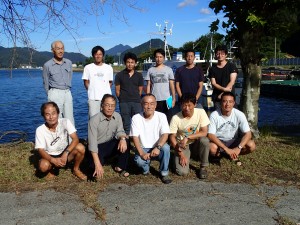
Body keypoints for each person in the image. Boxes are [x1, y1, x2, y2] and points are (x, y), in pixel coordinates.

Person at [35, 102, 86, 180]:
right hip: (50, 155)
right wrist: (52, 160)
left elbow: (75, 139)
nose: (51, 117)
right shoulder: (40, 130)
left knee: (81, 148)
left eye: (53, 113)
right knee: (43, 166)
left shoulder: (65, 122)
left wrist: (66, 153)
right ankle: (51, 170)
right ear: (43, 116)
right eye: (47, 114)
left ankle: (76, 169)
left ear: (58, 113)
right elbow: (40, 150)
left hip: (65, 152)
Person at [129, 94, 172, 184]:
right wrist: (141, 153)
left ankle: (164, 173)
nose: (149, 107)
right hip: (143, 147)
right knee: (139, 162)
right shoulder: (136, 118)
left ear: (156, 105)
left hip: (157, 146)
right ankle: (146, 169)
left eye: (152, 104)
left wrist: (158, 147)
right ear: (141, 105)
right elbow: (135, 137)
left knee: (166, 148)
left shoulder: (162, 116)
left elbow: (165, 134)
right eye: (146, 104)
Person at [88, 94, 129, 179]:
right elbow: (92, 144)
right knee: (93, 169)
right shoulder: (94, 120)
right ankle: (101, 161)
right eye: (107, 105)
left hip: (109, 144)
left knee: (126, 141)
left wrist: (122, 138)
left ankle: (120, 167)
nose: (110, 108)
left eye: (112, 106)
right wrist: (97, 163)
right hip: (98, 147)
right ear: (102, 105)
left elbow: (120, 131)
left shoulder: (117, 116)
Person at [208, 92, 256, 164]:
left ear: (234, 103)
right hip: (219, 141)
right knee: (211, 148)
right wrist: (225, 148)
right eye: (225, 101)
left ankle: (233, 153)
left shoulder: (239, 114)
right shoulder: (214, 115)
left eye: (230, 102)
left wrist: (239, 148)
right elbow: (210, 135)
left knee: (251, 145)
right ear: (221, 103)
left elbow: (248, 134)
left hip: (233, 141)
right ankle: (220, 155)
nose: (227, 104)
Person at [169, 93, 210, 178]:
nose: (187, 108)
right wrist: (180, 154)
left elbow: (204, 132)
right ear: (181, 105)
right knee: (182, 172)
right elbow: (172, 137)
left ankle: (203, 167)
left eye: (189, 105)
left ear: (195, 104)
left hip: (196, 142)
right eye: (184, 105)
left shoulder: (201, 112)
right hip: (182, 146)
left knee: (205, 140)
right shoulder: (175, 118)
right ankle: (175, 158)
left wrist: (187, 137)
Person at [43, 40, 75, 125]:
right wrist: (50, 94)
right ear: (53, 50)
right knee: (56, 119)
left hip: (67, 92)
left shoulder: (68, 62)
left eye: (62, 48)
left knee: (70, 119)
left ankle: (71, 138)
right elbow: (45, 83)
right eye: (58, 49)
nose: (60, 51)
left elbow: (70, 76)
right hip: (55, 93)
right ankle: (59, 138)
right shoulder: (47, 65)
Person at [115, 52, 144, 135]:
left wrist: (137, 98)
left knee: (138, 122)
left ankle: (138, 141)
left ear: (135, 63)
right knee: (126, 123)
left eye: (132, 62)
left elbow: (140, 90)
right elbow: (117, 90)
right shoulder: (119, 75)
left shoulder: (139, 75)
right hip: (124, 102)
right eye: (128, 62)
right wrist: (121, 100)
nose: (130, 64)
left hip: (136, 102)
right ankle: (127, 141)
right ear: (125, 63)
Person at [82, 45, 113, 118]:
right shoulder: (88, 67)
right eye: (96, 54)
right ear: (93, 56)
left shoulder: (108, 68)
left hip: (106, 100)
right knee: (93, 121)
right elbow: (86, 82)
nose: (98, 56)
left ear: (103, 55)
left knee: (106, 120)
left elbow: (110, 82)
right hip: (93, 99)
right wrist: (91, 90)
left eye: (100, 54)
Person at [145, 48, 176, 120]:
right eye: (157, 57)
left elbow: (172, 85)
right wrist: (147, 98)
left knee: (168, 118)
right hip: (154, 99)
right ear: (154, 58)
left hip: (168, 99)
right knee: (155, 119)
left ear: (164, 58)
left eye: (160, 57)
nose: (158, 59)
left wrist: (173, 99)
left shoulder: (169, 69)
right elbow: (148, 85)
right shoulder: (150, 70)